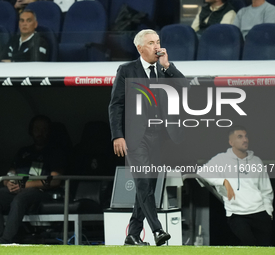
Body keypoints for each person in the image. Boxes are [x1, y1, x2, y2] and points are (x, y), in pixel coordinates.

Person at [108, 29, 189, 246]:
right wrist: (118, 135)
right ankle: (157, 230)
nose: (157, 46)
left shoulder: (164, 71)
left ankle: (133, 234)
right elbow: (116, 105)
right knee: (143, 182)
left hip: (160, 137)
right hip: (136, 138)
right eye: (151, 43)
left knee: (148, 187)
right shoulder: (126, 70)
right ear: (140, 48)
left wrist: (168, 66)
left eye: (158, 42)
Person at [0, 115, 66, 244]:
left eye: (44, 129)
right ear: (31, 131)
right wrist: (8, 182)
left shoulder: (55, 152)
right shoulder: (23, 151)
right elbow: (10, 173)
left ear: (49, 131)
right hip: (17, 188)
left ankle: (5, 241)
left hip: (39, 192)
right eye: (37, 129)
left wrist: (25, 185)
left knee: (19, 200)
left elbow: (55, 180)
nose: (40, 133)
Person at [200, 125, 273, 246]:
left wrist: (268, 212)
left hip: (260, 213)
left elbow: (266, 190)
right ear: (231, 142)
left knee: (265, 250)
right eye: (240, 137)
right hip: (237, 214)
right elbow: (202, 173)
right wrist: (223, 181)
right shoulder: (221, 159)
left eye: (246, 136)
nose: (245, 140)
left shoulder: (256, 161)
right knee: (249, 246)